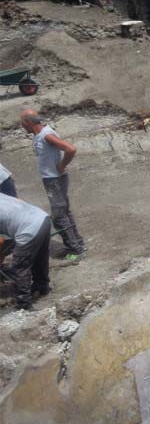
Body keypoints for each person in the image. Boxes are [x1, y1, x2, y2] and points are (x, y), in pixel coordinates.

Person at [20, 109, 86, 260]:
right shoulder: (41, 134)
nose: (22, 125)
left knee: (58, 217)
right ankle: (78, 244)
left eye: (22, 122)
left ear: (29, 123)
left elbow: (71, 149)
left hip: (54, 180)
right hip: (53, 179)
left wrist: (62, 166)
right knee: (64, 212)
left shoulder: (46, 135)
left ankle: (75, 251)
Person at [0, 193, 51, 310]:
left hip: (28, 228)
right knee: (40, 257)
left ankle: (24, 304)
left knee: (20, 266)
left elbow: (1, 241)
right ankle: (41, 286)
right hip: (42, 218)